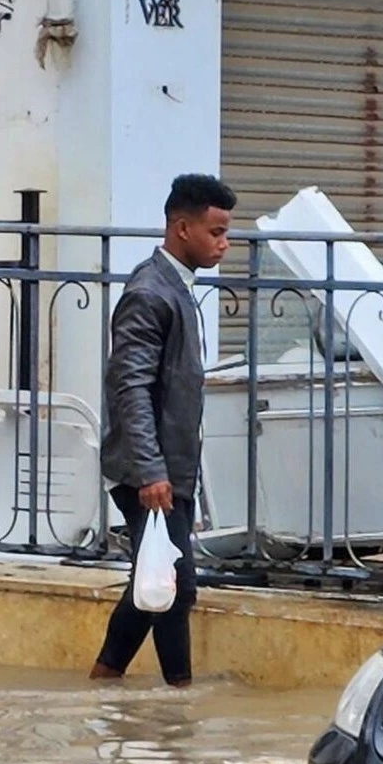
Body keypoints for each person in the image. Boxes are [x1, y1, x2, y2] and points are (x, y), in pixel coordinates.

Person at [90, 174, 236, 688]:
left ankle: (105, 680)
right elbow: (128, 386)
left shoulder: (173, 287)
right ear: (182, 228)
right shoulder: (151, 293)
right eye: (216, 232)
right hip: (148, 471)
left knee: (156, 582)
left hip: (165, 467)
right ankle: (180, 700)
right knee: (173, 585)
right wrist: (152, 472)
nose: (224, 243)